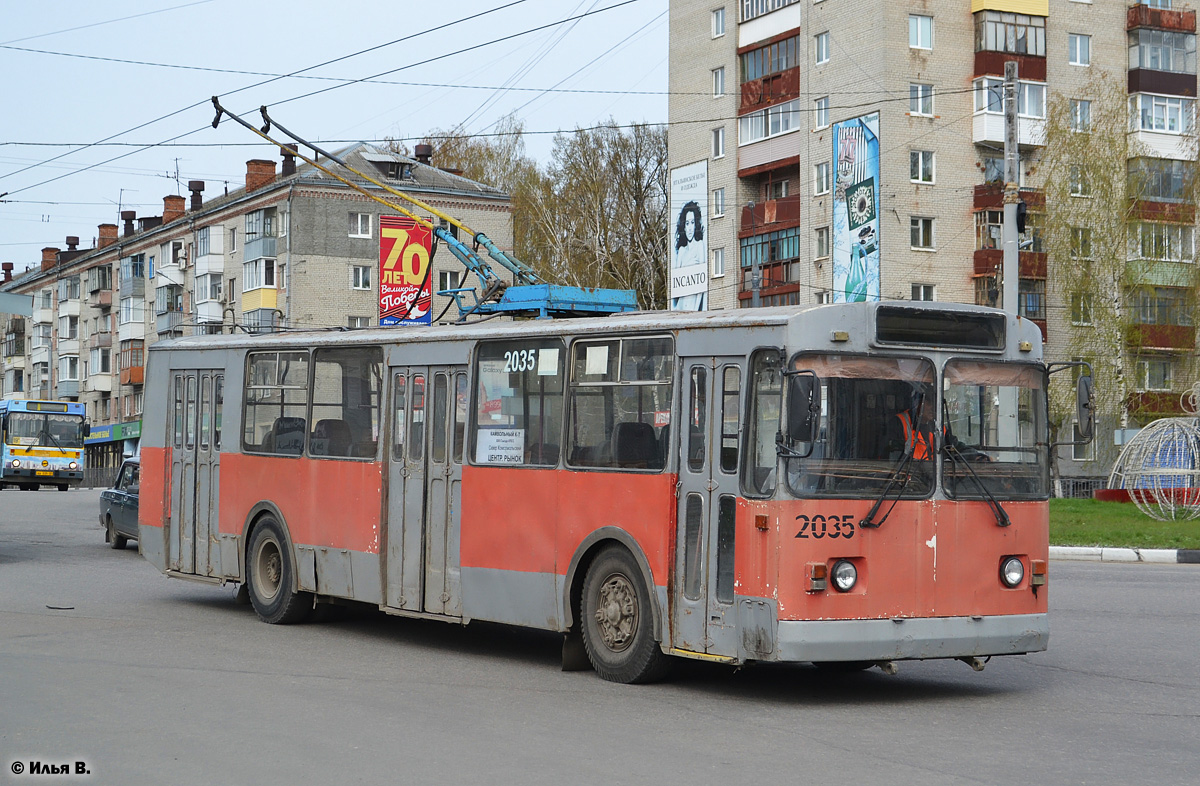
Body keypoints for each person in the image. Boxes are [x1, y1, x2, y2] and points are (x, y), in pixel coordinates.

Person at [672, 201, 707, 310]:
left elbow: (701, 288)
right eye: (687, 223)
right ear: (684, 227)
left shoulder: (700, 245)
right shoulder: (681, 251)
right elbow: (675, 288)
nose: (690, 228)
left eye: (692, 222)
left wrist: (696, 311)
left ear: (696, 224)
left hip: (693, 308)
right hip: (680, 308)